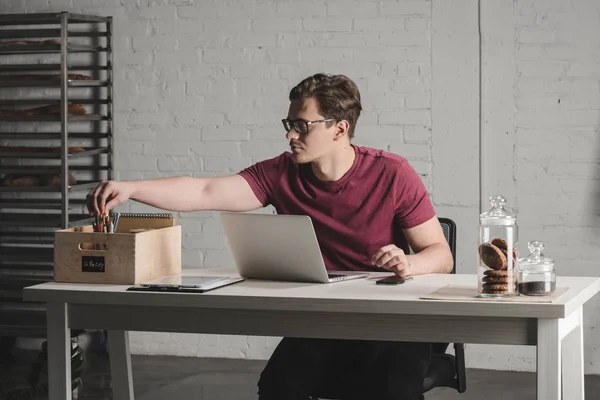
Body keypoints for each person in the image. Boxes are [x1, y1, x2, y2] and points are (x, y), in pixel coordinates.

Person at [87, 73, 453, 400]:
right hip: (323, 316)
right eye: (289, 123)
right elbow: (206, 192)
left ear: (339, 129)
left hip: (389, 318)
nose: (290, 135)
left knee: (389, 390)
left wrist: (409, 263)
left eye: (301, 125)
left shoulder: (392, 173)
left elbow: (440, 254)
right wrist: (130, 187)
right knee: (278, 387)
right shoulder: (280, 173)